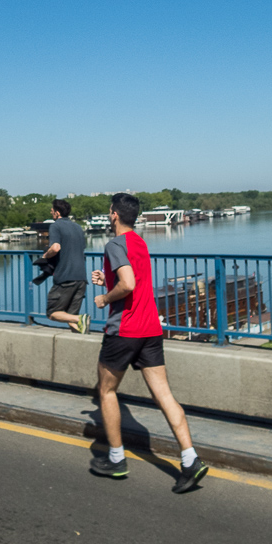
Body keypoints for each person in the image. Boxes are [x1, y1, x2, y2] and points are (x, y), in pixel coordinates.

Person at [88, 193, 209, 493]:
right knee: (164, 395)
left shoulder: (115, 244)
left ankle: (116, 458)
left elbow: (127, 284)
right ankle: (190, 458)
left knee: (105, 391)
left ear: (114, 214)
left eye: (109, 211)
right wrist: (107, 280)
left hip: (125, 330)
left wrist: (104, 297)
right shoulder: (140, 243)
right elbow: (134, 281)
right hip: (151, 329)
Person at [43, 199, 89, 334]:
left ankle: (81, 318)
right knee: (70, 317)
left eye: (52, 210)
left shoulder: (56, 226)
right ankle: (81, 338)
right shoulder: (77, 227)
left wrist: (46, 256)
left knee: (52, 313)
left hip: (65, 278)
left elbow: (56, 248)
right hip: (81, 278)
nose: (51, 212)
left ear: (57, 213)